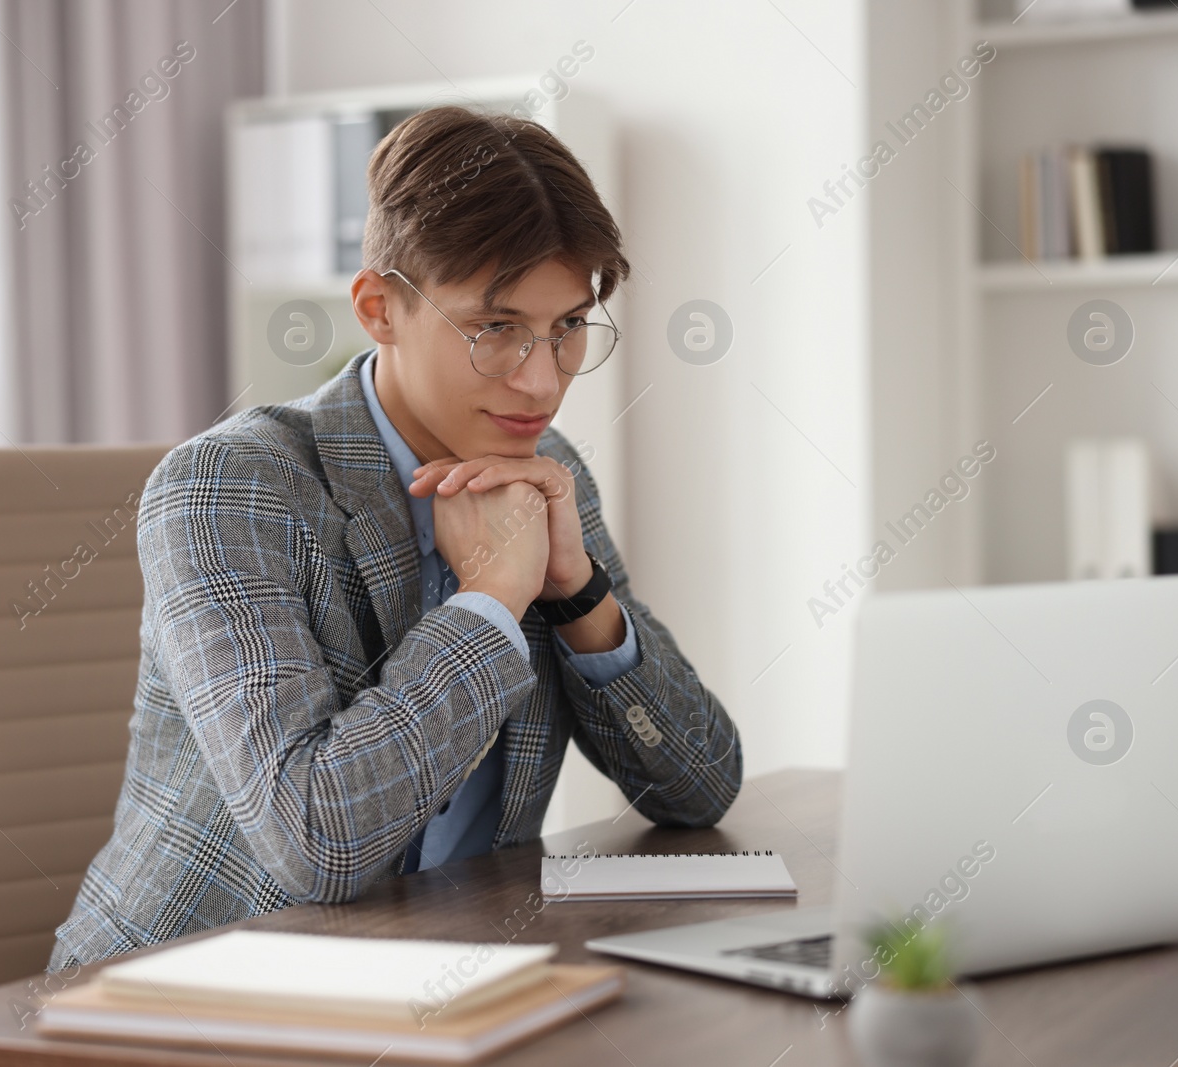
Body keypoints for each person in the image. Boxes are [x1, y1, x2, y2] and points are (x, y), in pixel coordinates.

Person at [51, 104, 741, 968]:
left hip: (440, 977)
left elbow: (702, 787)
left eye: (567, 328)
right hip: (187, 996)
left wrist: (579, 593)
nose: (541, 382)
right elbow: (318, 841)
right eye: (496, 329)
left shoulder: (545, 472)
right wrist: (490, 601)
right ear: (379, 309)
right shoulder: (229, 489)